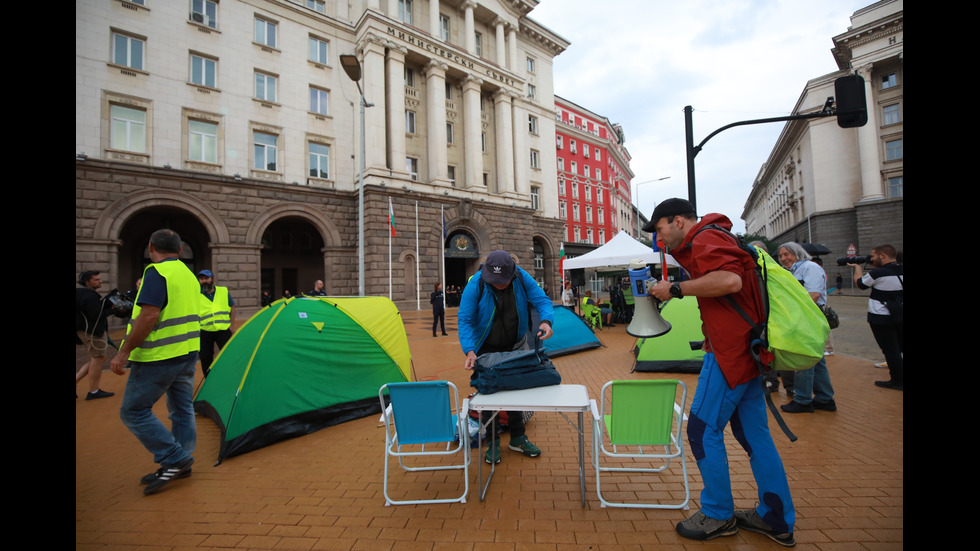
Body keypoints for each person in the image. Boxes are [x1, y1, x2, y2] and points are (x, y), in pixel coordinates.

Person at [646, 199, 795, 546]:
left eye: (659, 228)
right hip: (749, 350)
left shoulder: (706, 239)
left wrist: (677, 289)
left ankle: (717, 514)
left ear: (678, 221)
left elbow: (729, 281)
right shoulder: (718, 237)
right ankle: (775, 517)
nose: (658, 237)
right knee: (754, 436)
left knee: (701, 429)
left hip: (730, 354)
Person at [110, 229, 201, 496]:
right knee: (182, 409)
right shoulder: (189, 275)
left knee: (133, 411)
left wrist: (123, 351)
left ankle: (174, 458)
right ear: (180, 250)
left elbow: (149, 317)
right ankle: (181, 461)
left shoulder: (156, 272)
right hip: (186, 353)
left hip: (158, 357)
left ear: (151, 247)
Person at [458, 250, 554, 464]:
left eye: (503, 280)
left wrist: (546, 320)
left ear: (512, 272)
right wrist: (470, 350)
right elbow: (464, 319)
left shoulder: (521, 276)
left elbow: (542, 300)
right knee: (488, 393)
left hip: (516, 343)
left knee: (515, 390)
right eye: (495, 280)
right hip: (485, 347)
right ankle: (492, 442)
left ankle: (518, 438)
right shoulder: (477, 283)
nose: (499, 284)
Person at [776, 243, 836, 413]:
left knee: (804, 356)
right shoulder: (794, 270)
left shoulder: (810, 267)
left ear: (797, 253)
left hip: (808, 316)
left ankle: (803, 400)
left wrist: (794, 315)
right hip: (805, 316)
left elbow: (814, 295)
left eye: (787, 254)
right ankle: (825, 398)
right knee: (817, 359)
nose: (784, 258)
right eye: (781, 256)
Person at [850, 245, 903, 390]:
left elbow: (860, 284)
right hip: (900, 314)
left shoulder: (878, 273)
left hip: (881, 317)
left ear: (883, 256)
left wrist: (858, 267)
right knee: (898, 346)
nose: (871, 259)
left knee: (891, 350)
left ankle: (898, 380)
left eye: (873, 256)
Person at [76, 270, 114, 400]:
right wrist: (111, 309)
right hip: (93, 332)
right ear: (87, 282)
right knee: (98, 359)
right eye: (96, 280)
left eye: (100, 279)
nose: (100, 281)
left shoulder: (79, 293)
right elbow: (96, 316)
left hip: (84, 331)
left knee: (97, 358)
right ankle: (93, 391)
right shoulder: (90, 296)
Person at [197, 269, 235, 378]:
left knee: (227, 355)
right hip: (205, 331)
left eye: (206, 278)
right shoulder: (196, 294)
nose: (204, 281)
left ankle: (228, 377)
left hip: (223, 330)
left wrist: (231, 325)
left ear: (212, 279)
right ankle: (208, 380)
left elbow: (232, 307)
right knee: (205, 358)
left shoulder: (223, 291)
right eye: (201, 279)